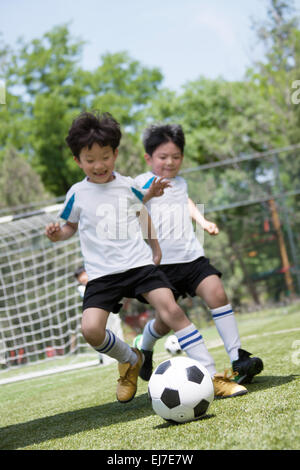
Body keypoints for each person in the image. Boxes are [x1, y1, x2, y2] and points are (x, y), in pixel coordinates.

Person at [45, 111, 243, 405]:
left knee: (173, 312)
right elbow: (70, 228)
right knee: (91, 330)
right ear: (77, 161)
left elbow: (142, 209)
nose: (99, 165)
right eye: (90, 159)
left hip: (139, 265)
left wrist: (155, 247)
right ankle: (129, 359)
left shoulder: (126, 185)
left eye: (105, 156)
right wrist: (56, 234)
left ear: (115, 153)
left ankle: (213, 377)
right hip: (102, 274)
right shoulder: (77, 193)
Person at [135, 123, 264, 388]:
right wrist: (147, 195)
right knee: (165, 320)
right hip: (159, 266)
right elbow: (132, 209)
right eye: (163, 157)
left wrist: (203, 222)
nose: (170, 162)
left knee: (216, 291)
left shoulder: (180, 182)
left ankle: (237, 358)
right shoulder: (139, 183)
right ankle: (144, 344)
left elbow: (185, 201)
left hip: (191, 258)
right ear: (148, 158)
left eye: (176, 157)